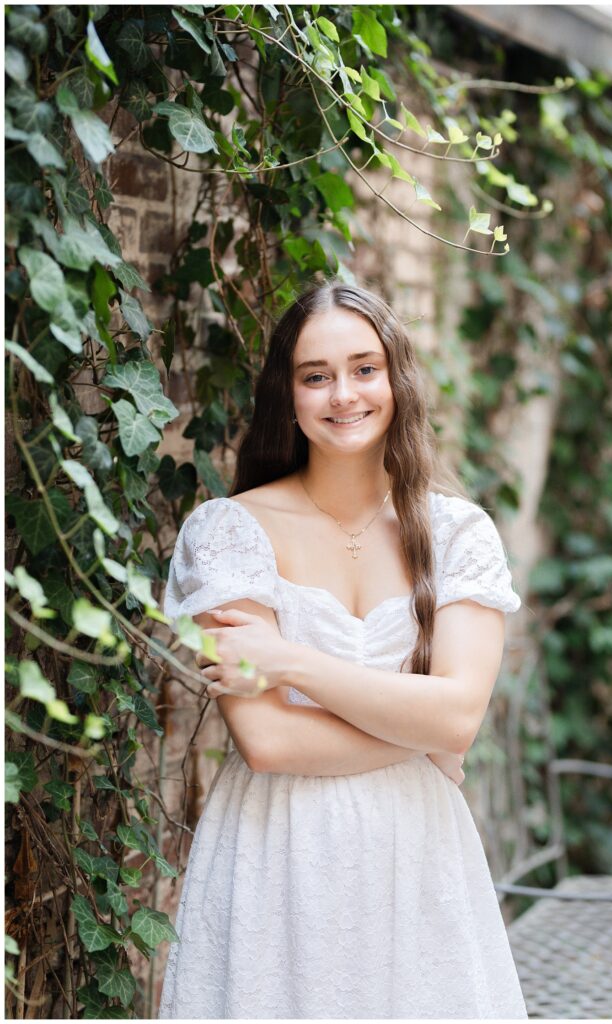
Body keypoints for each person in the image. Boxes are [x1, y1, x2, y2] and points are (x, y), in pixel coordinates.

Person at [158, 281, 528, 1019]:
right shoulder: (228, 532)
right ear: (287, 394)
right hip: (275, 853)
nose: (343, 395)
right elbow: (267, 739)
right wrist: (416, 730)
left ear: (397, 379)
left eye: (364, 368)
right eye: (316, 375)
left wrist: (289, 661)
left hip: (419, 862)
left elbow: (458, 719)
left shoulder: (458, 535)